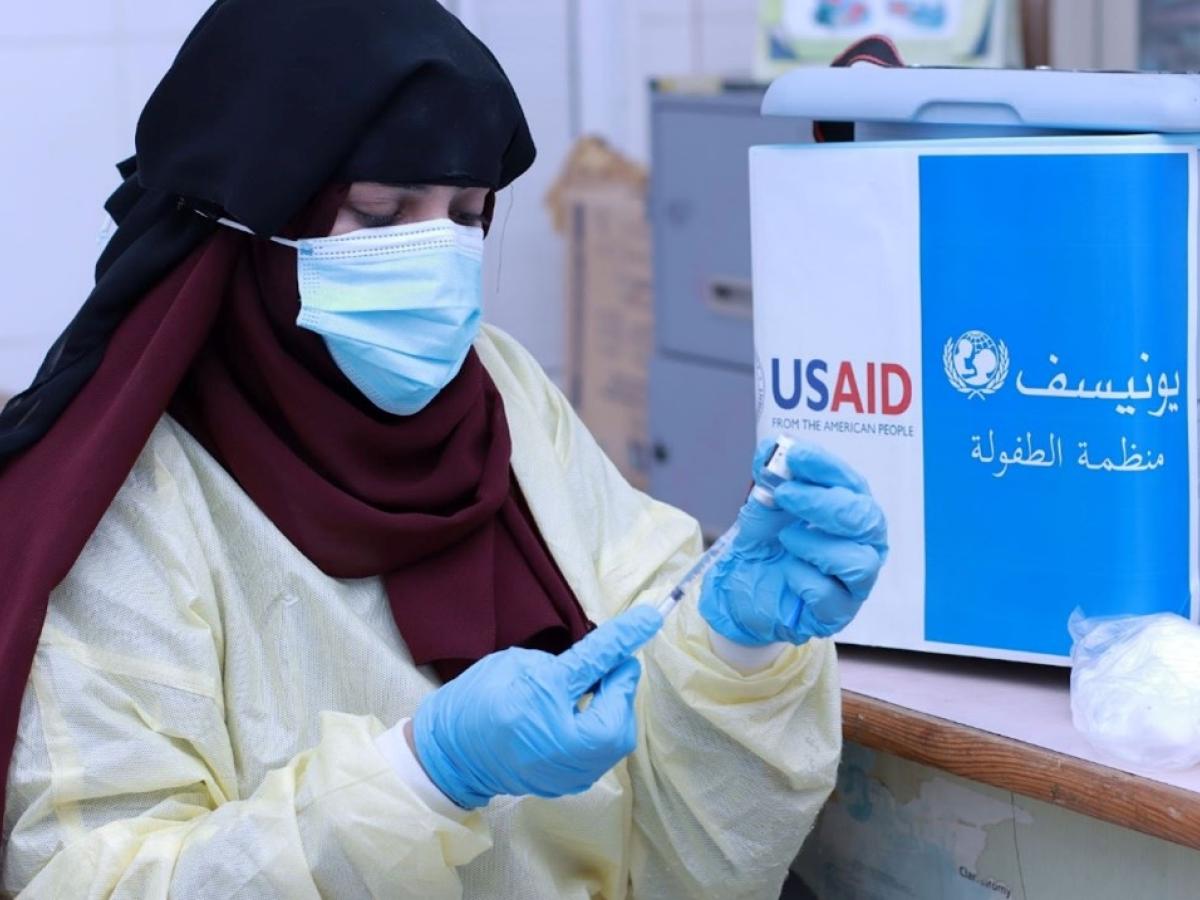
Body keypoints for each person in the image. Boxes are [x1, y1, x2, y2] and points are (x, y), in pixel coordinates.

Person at [0, 1, 887, 897]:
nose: (437, 257)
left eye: (467, 214)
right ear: (252, 222)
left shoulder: (498, 393)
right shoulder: (132, 496)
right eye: (381, 214)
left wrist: (733, 651)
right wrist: (420, 778)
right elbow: (94, 881)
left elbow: (690, 848)